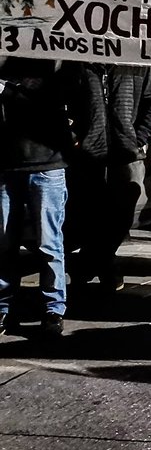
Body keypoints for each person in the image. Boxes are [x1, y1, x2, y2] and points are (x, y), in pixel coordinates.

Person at [64, 63, 151, 291]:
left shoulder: (136, 66)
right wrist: (73, 137)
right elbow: (61, 102)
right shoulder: (79, 64)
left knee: (122, 216)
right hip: (88, 154)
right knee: (89, 214)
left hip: (126, 153)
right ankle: (103, 267)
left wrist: (138, 137)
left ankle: (89, 264)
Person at [0, 59, 74, 337]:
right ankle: (3, 306)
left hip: (46, 165)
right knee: (4, 241)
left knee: (49, 242)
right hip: (7, 165)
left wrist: (6, 90)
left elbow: (42, 100)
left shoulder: (51, 62)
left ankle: (53, 307)